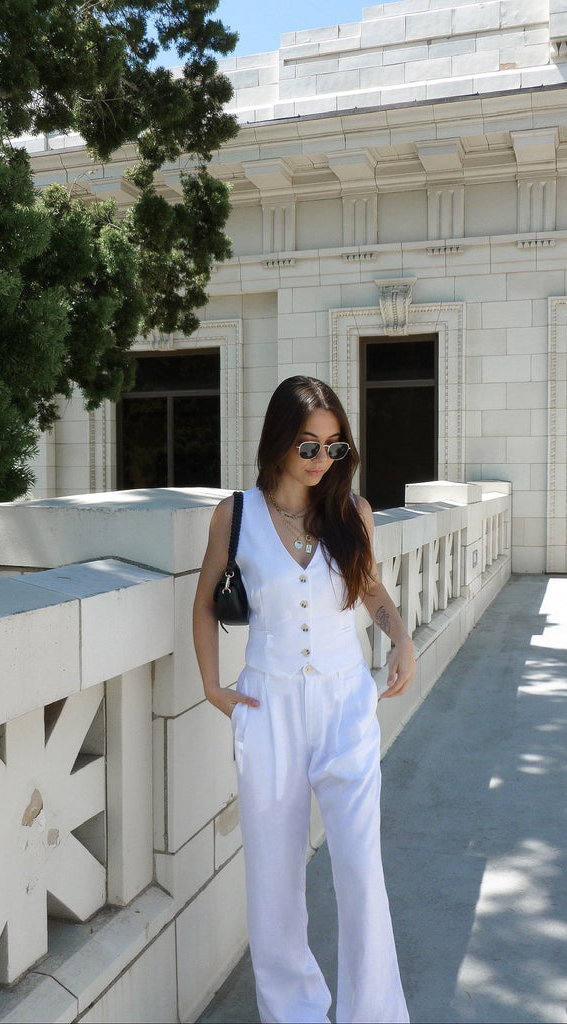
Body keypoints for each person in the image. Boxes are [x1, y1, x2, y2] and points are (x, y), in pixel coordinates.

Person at [193, 375, 415, 1024]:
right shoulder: (236, 515)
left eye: (334, 449)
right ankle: (293, 1011)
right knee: (274, 881)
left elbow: (370, 591)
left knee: (359, 871)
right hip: (269, 710)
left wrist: (401, 637)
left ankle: (373, 1014)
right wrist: (213, 687)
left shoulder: (353, 514)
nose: (322, 461)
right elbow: (206, 605)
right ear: (279, 444)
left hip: (346, 706)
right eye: (308, 447)